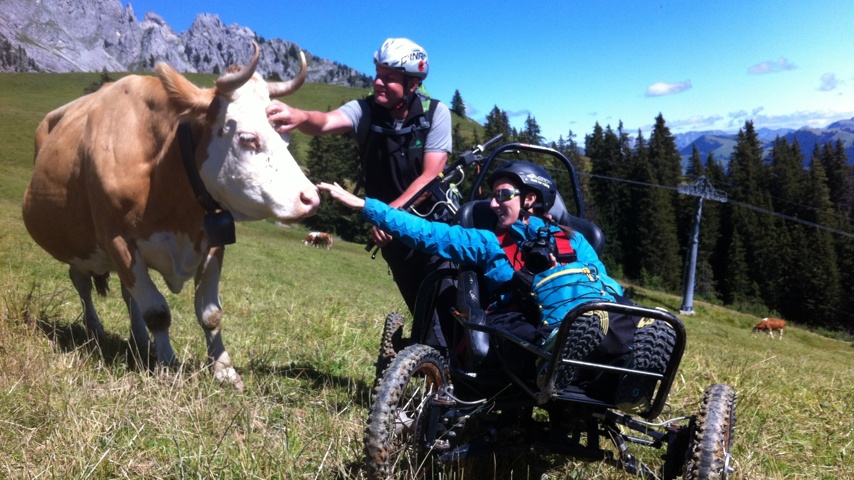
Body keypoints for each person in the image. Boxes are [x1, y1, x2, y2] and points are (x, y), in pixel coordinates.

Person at [317, 161, 644, 393]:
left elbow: (603, 284)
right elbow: (428, 233)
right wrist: (365, 206)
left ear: (529, 199)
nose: (492, 203)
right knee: (518, 330)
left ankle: (631, 373)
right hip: (521, 324)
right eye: (491, 195)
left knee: (615, 315)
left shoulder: (574, 240)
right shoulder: (488, 242)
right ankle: (555, 360)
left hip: (586, 316)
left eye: (502, 195)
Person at [267, 38, 453, 321]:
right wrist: (299, 115)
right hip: (391, 234)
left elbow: (430, 177)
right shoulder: (365, 110)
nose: (378, 82)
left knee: (450, 300)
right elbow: (325, 121)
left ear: (413, 84)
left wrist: (386, 216)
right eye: (378, 74)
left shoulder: (435, 114)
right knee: (420, 307)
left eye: (389, 78)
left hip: (434, 224)